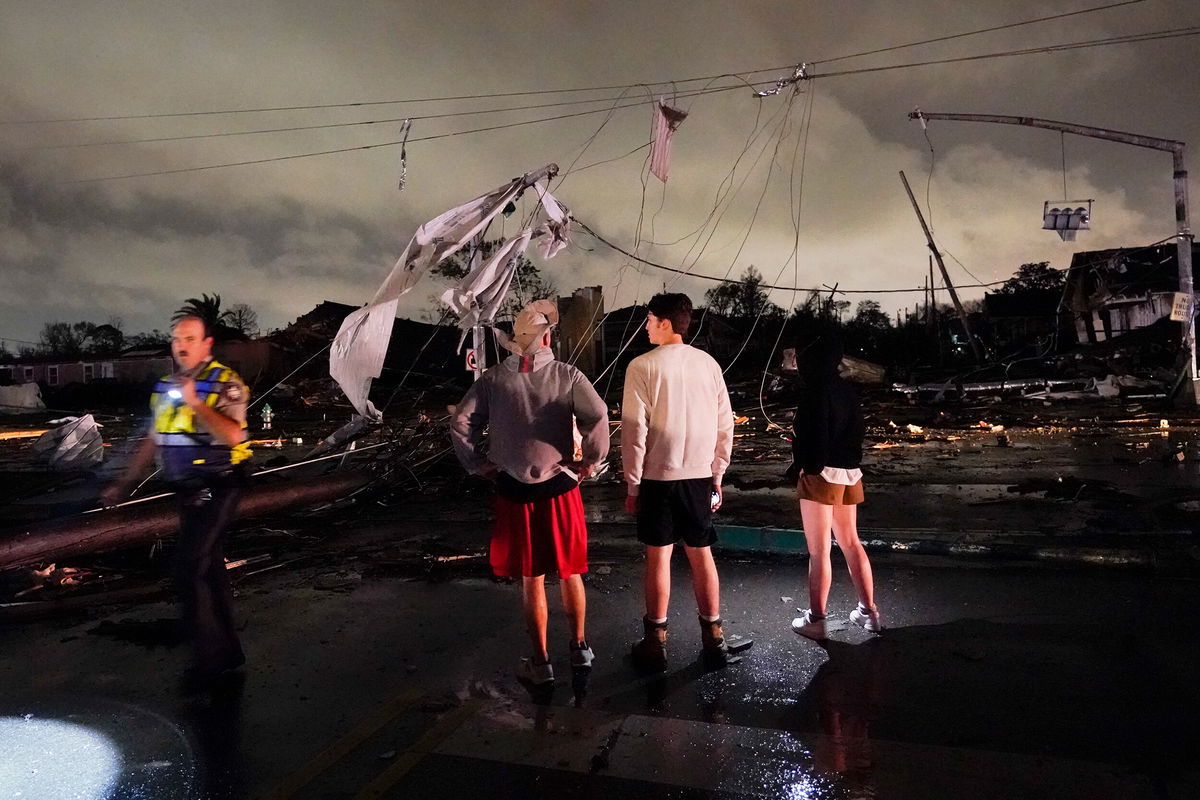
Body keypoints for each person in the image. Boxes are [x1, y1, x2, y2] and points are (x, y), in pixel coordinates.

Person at [450, 300, 609, 686]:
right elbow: (599, 415)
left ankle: (541, 663)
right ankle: (580, 648)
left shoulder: (492, 380)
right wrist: (589, 463)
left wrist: (476, 463)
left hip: (511, 488)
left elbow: (461, 421)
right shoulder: (566, 375)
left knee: (532, 577)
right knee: (570, 572)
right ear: (548, 338)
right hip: (559, 487)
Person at [102, 315, 253, 689]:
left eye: (190, 338)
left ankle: (209, 660)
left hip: (221, 483)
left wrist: (196, 403)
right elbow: (154, 438)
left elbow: (235, 436)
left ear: (207, 343)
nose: (181, 345)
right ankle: (228, 652)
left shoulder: (225, 383)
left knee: (189, 566)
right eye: (176, 339)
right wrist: (123, 483)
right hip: (187, 489)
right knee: (209, 568)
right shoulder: (165, 387)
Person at [621, 292, 751, 670]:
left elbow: (634, 430)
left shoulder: (641, 367)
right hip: (697, 476)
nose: (645, 326)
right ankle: (714, 637)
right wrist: (717, 473)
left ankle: (655, 642)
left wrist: (633, 485)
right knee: (701, 553)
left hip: (658, 477)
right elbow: (724, 424)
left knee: (658, 557)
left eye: (648, 320)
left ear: (664, 322)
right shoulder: (708, 364)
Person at [788, 331, 882, 640]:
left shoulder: (815, 392)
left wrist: (804, 465)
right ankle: (869, 613)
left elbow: (815, 440)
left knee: (819, 552)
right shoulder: (847, 391)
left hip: (821, 476)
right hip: (850, 473)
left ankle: (816, 619)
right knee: (851, 542)